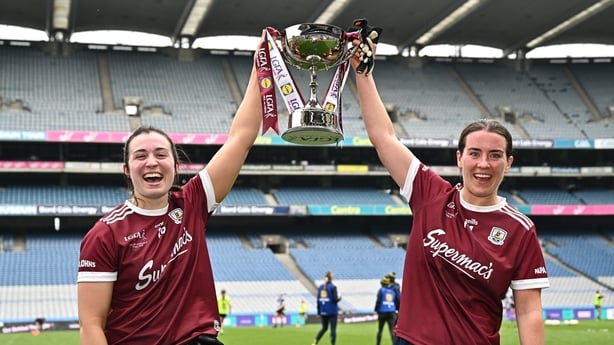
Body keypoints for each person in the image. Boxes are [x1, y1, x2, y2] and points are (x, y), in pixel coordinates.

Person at [350, 36, 550, 345]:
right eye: (474, 153)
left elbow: (528, 312)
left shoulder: (520, 230)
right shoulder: (430, 194)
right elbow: (383, 137)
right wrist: (362, 71)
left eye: (495, 155)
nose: (483, 164)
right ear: (459, 158)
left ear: (508, 163)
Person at [76, 36, 265, 345]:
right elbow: (92, 325)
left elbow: (241, 138)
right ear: (127, 170)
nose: (152, 162)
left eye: (161, 154)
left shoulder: (193, 202)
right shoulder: (105, 234)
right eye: (140, 156)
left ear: (175, 165)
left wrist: (262, 66)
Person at [312, 271, 342, 345]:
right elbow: (335, 300)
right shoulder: (333, 287)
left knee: (324, 328)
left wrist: (319, 312)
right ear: (331, 277)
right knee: (333, 329)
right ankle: (332, 343)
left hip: (323, 311)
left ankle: (315, 342)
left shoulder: (320, 288)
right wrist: (340, 298)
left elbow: (318, 300)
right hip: (332, 311)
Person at [375, 277, 399, 345]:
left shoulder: (381, 290)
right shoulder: (392, 291)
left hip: (382, 312)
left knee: (380, 330)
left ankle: (378, 344)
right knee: (392, 331)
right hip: (391, 312)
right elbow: (395, 301)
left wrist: (376, 309)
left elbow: (378, 301)